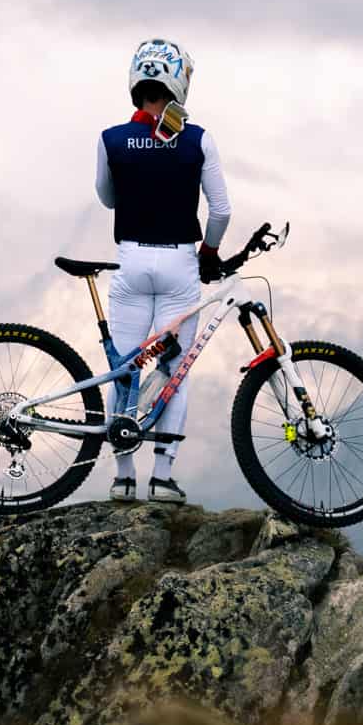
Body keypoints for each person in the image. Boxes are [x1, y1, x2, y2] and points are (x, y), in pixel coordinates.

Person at [94, 37, 231, 503]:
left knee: (124, 368)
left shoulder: (111, 139)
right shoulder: (198, 140)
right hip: (179, 263)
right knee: (175, 370)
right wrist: (209, 253)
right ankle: (163, 478)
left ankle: (123, 477)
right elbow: (222, 211)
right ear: (178, 83)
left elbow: (107, 197)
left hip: (131, 262)